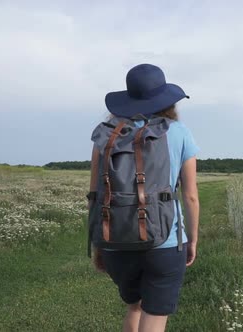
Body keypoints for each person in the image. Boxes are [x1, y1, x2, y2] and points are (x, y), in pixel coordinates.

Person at [88, 64, 200, 332]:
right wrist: (192, 239)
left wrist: (99, 243)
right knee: (155, 316)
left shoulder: (105, 134)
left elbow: (94, 194)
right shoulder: (179, 132)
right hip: (166, 240)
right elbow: (191, 195)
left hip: (115, 239)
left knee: (135, 307)